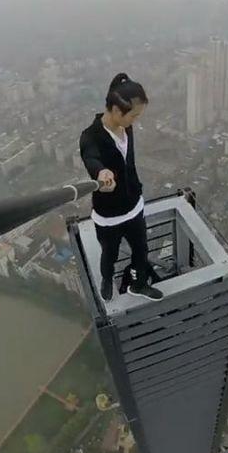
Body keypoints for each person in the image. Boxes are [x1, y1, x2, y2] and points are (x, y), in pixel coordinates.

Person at [79, 73, 163, 302]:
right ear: (117, 110)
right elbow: (91, 158)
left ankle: (139, 284)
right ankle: (107, 279)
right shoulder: (91, 136)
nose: (135, 120)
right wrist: (100, 173)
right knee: (110, 254)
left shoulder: (126, 127)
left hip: (133, 204)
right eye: (134, 115)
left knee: (141, 249)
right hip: (109, 214)